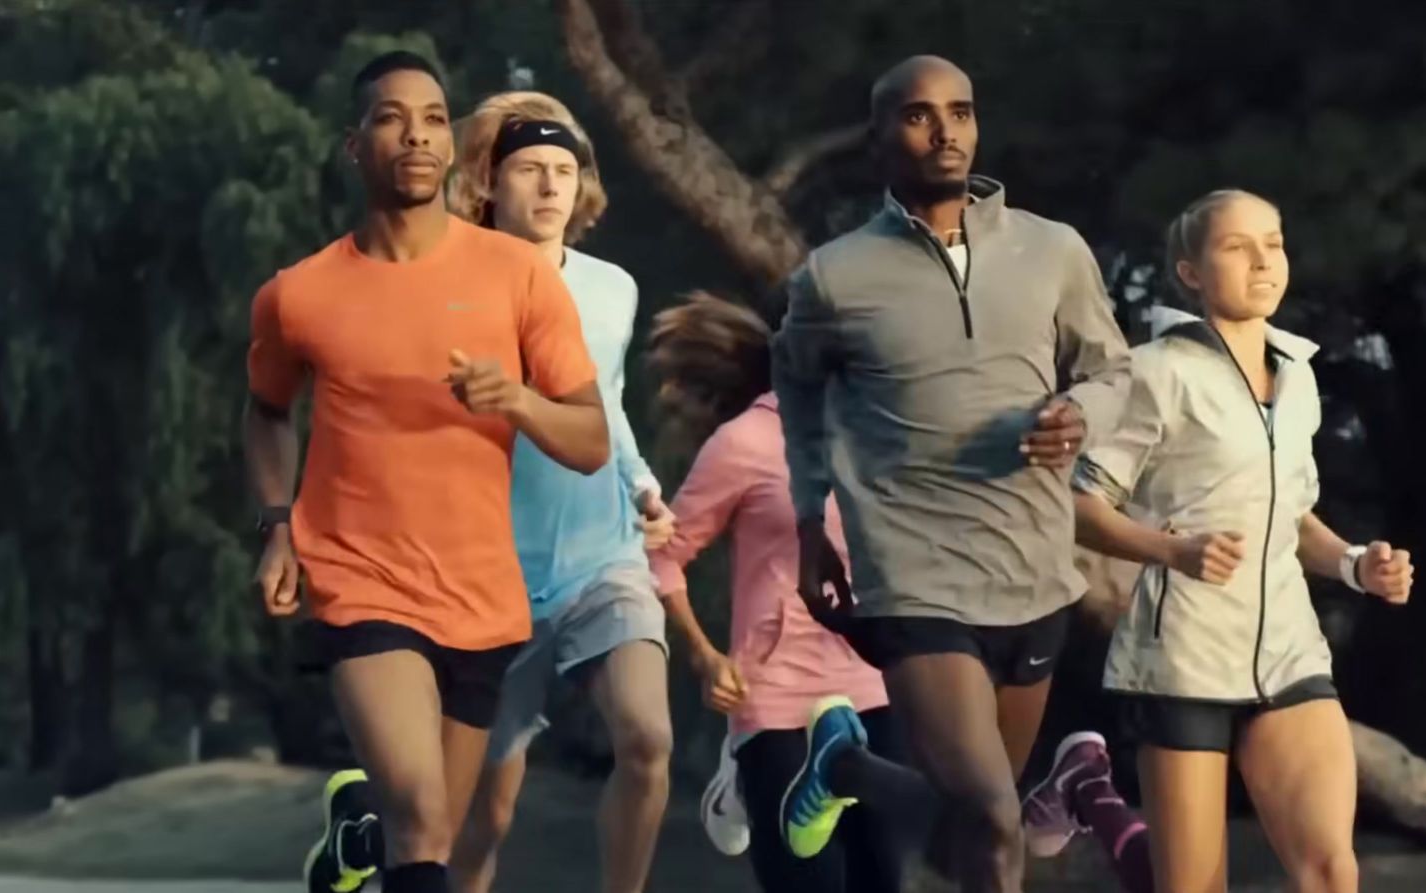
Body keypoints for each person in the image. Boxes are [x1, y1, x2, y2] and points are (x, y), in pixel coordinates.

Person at [245, 52, 609, 893]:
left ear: (452, 145)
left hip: (483, 594)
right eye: (390, 117)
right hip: (359, 576)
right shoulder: (298, 294)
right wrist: (276, 527)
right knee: (419, 813)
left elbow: (589, 440)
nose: (416, 134)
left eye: (435, 118)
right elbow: (266, 409)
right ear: (354, 144)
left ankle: (354, 841)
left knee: (432, 831)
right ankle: (381, 828)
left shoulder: (517, 275)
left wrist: (515, 399)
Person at [772, 55, 1134, 893]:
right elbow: (796, 387)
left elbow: (1114, 372)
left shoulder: (1054, 250)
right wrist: (807, 520)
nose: (945, 132)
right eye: (919, 115)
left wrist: (1082, 419)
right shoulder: (834, 275)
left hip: (1033, 569)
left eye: (961, 112)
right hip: (912, 574)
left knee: (980, 828)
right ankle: (865, 773)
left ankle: (849, 770)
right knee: (992, 813)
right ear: (880, 138)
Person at [1071, 189, 1415, 893]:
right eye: (1237, 246)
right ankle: (1094, 801)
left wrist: (1354, 565)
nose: (1264, 261)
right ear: (1191, 271)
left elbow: (1292, 515)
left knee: (1330, 872)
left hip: (1289, 652)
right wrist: (1172, 551)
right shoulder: (1155, 372)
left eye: (1275, 243)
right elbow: (1079, 506)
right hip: (1186, 659)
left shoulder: (1299, 376)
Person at [429, 92, 675, 893]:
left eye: (564, 171)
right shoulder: (447, 283)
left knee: (647, 739)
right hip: (487, 581)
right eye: (530, 170)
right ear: (488, 185)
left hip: (602, 558)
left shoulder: (616, 287)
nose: (549, 188)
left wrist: (640, 482)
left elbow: (603, 400)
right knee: (482, 820)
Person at [644, 293, 905, 893]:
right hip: (778, 696)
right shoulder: (743, 443)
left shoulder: (882, 434)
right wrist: (704, 656)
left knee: (882, 878)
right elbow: (665, 554)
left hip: (873, 688)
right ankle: (742, 766)